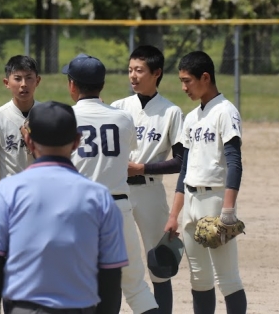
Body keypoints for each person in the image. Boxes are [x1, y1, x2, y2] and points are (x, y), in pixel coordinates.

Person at [0, 101, 128, 314]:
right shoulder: (100, 197)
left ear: (29, 141)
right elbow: (110, 274)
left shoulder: (1, 194)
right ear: (77, 141)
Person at [63, 53, 159, 314]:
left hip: (81, 212)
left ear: (72, 85)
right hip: (118, 209)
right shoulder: (123, 118)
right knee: (136, 288)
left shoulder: (66, 118)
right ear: (102, 85)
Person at [163, 51, 247, 314]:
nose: (183, 87)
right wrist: (174, 215)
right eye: (182, 81)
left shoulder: (225, 111)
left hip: (215, 200)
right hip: (190, 200)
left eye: (187, 80)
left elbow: (235, 163)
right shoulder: (191, 118)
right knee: (199, 278)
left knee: (227, 277)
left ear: (206, 78)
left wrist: (228, 211)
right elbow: (184, 169)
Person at [111, 46, 184, 314]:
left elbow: (180, 161)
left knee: (160, 266)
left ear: (156, 73)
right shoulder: (118, 108)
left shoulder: (171, 112)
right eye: (130, 70)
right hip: (118, 191)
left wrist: (142, 168)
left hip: (151, 193)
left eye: (139, 70)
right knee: (114, 264)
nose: (133, 75)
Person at [0, 55, 41, 192]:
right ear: (6, 83)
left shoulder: (47, 115)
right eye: (17, 79)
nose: (23, 84)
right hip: (11, 193)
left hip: (41, 191)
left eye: (29, 78)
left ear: (37, 81)